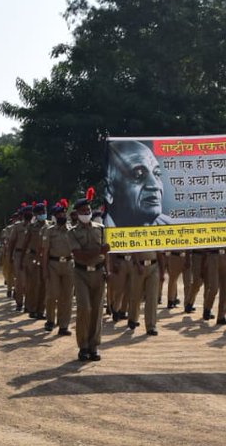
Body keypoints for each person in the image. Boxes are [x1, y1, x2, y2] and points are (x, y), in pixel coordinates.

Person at [70, 189, 109, 361]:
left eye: (88, 210)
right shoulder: (72, 232)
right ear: (76, 214)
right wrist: (99, 250)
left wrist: (108, 270)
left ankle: (93, 346)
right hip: (81, 273)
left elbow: (107, 253)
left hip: (99, 272)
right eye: (82, 211)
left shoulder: (100, 229)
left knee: (97, 310)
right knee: (84, 308)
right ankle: (83, 345)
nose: (86, 213)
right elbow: (79, 254)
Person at [104, 141, 175, 227]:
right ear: (109, 191)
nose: (155, 185)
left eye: (157, 174)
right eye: (138, 174)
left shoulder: (180, 229)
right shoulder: (98, 231)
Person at [41, 199, 75, 336]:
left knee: (67, 297)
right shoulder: (49, 231)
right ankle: (50, 320)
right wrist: (44, 270)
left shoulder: (72, 230)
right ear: (55, 216)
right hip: (53, 265)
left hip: (68, 265)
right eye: (58, 214)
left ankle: (63, 325)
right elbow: (45, 252)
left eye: (63, 213)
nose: (62, 216)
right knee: (52, 295)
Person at [127, 249, 163, 335]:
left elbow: (160, 253)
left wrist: (161, 272)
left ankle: (151, 326)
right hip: (139, 266)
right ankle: (133, 318)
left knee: (152, 297)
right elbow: (133, 249)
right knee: (136, 295)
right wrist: (138, 264)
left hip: (154, 267)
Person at [201, 246, 226, 325]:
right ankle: (207, 307)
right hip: (213, 255)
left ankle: (221, 316)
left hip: (225, 254)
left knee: (225, 289)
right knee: (214, 288)